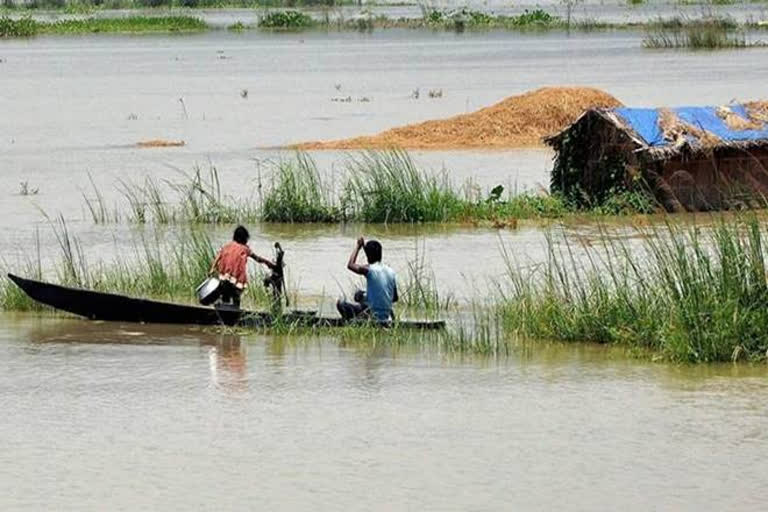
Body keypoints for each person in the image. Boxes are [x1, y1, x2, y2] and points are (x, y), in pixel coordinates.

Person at [337, 237, 398, 324]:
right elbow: (395, 298)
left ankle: (356, 320)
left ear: (368, 256)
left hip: (372, 314)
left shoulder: (369, 269)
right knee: (360, 295)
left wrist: (358, 247)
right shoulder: (391, 272)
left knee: (340, 303)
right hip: (386, 314)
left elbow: (350, 265)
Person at [210, 226, 275, 308]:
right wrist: (268, 263)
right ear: (244, 238)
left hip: (224, 276)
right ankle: (235, 313)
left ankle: (224, 313)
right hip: (236, 278)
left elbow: (218, 256)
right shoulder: (245, 249)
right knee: (236, 297)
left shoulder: (227, 246)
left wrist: (212, 268)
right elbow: (257, 258)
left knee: (225, 297)